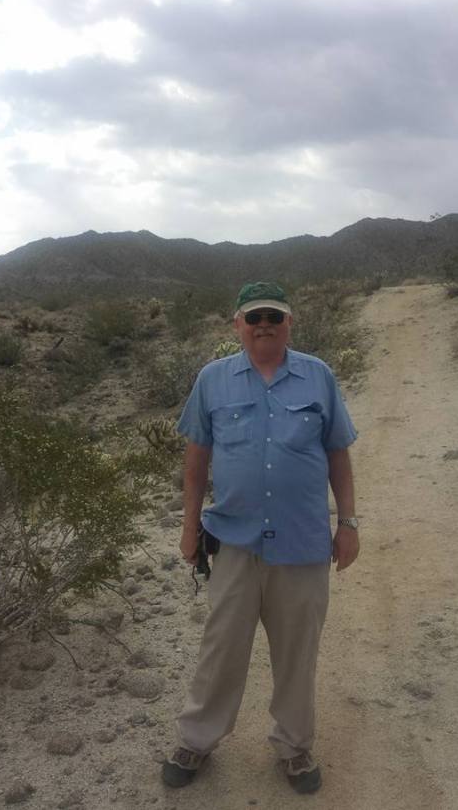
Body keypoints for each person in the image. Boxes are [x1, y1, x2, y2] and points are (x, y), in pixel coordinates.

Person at [162, 281, 359, 794]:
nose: (264, 323)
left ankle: (294, 749)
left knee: (297, 652)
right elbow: (196, 460)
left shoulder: (318, 377)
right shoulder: (213, 379)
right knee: (220, 648)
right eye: (254, 317)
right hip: (234, 542)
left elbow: (339, 453)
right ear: (237, 325)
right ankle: (196, 740)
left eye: (274, 315)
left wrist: (350, 524)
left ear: (289, 322)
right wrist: (188, 528)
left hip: (303, 543)